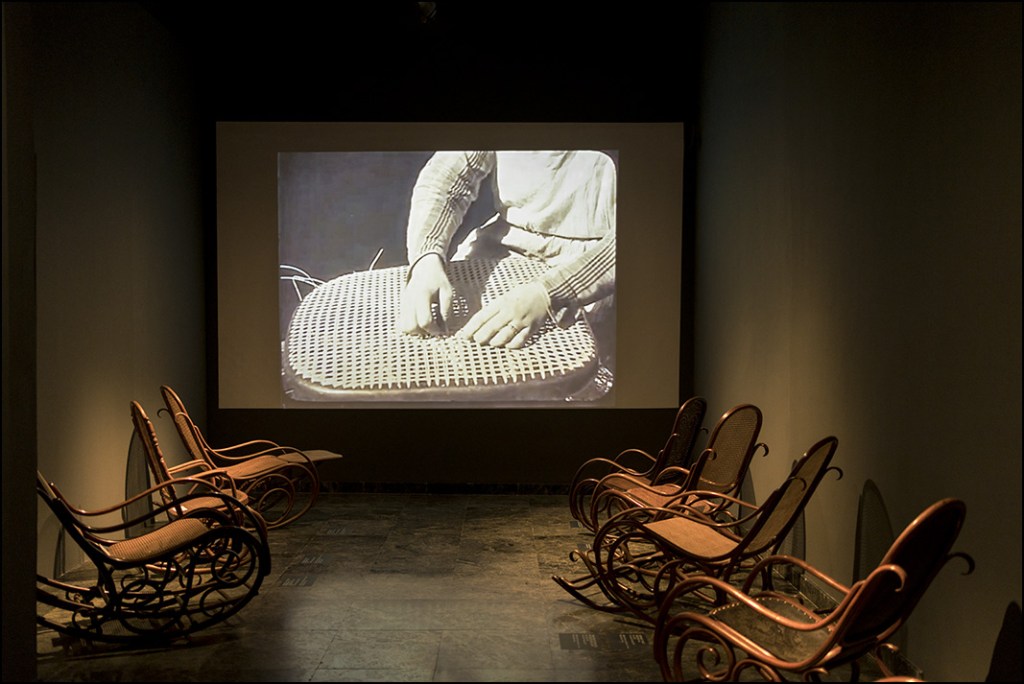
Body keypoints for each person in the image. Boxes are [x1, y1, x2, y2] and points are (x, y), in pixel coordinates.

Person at [397, 150, 617, 349]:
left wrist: (550, 293)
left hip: (592, 260)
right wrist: (426, 257)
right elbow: (447, 177)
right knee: (438, 330)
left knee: (547, 359)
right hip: (504, 239)